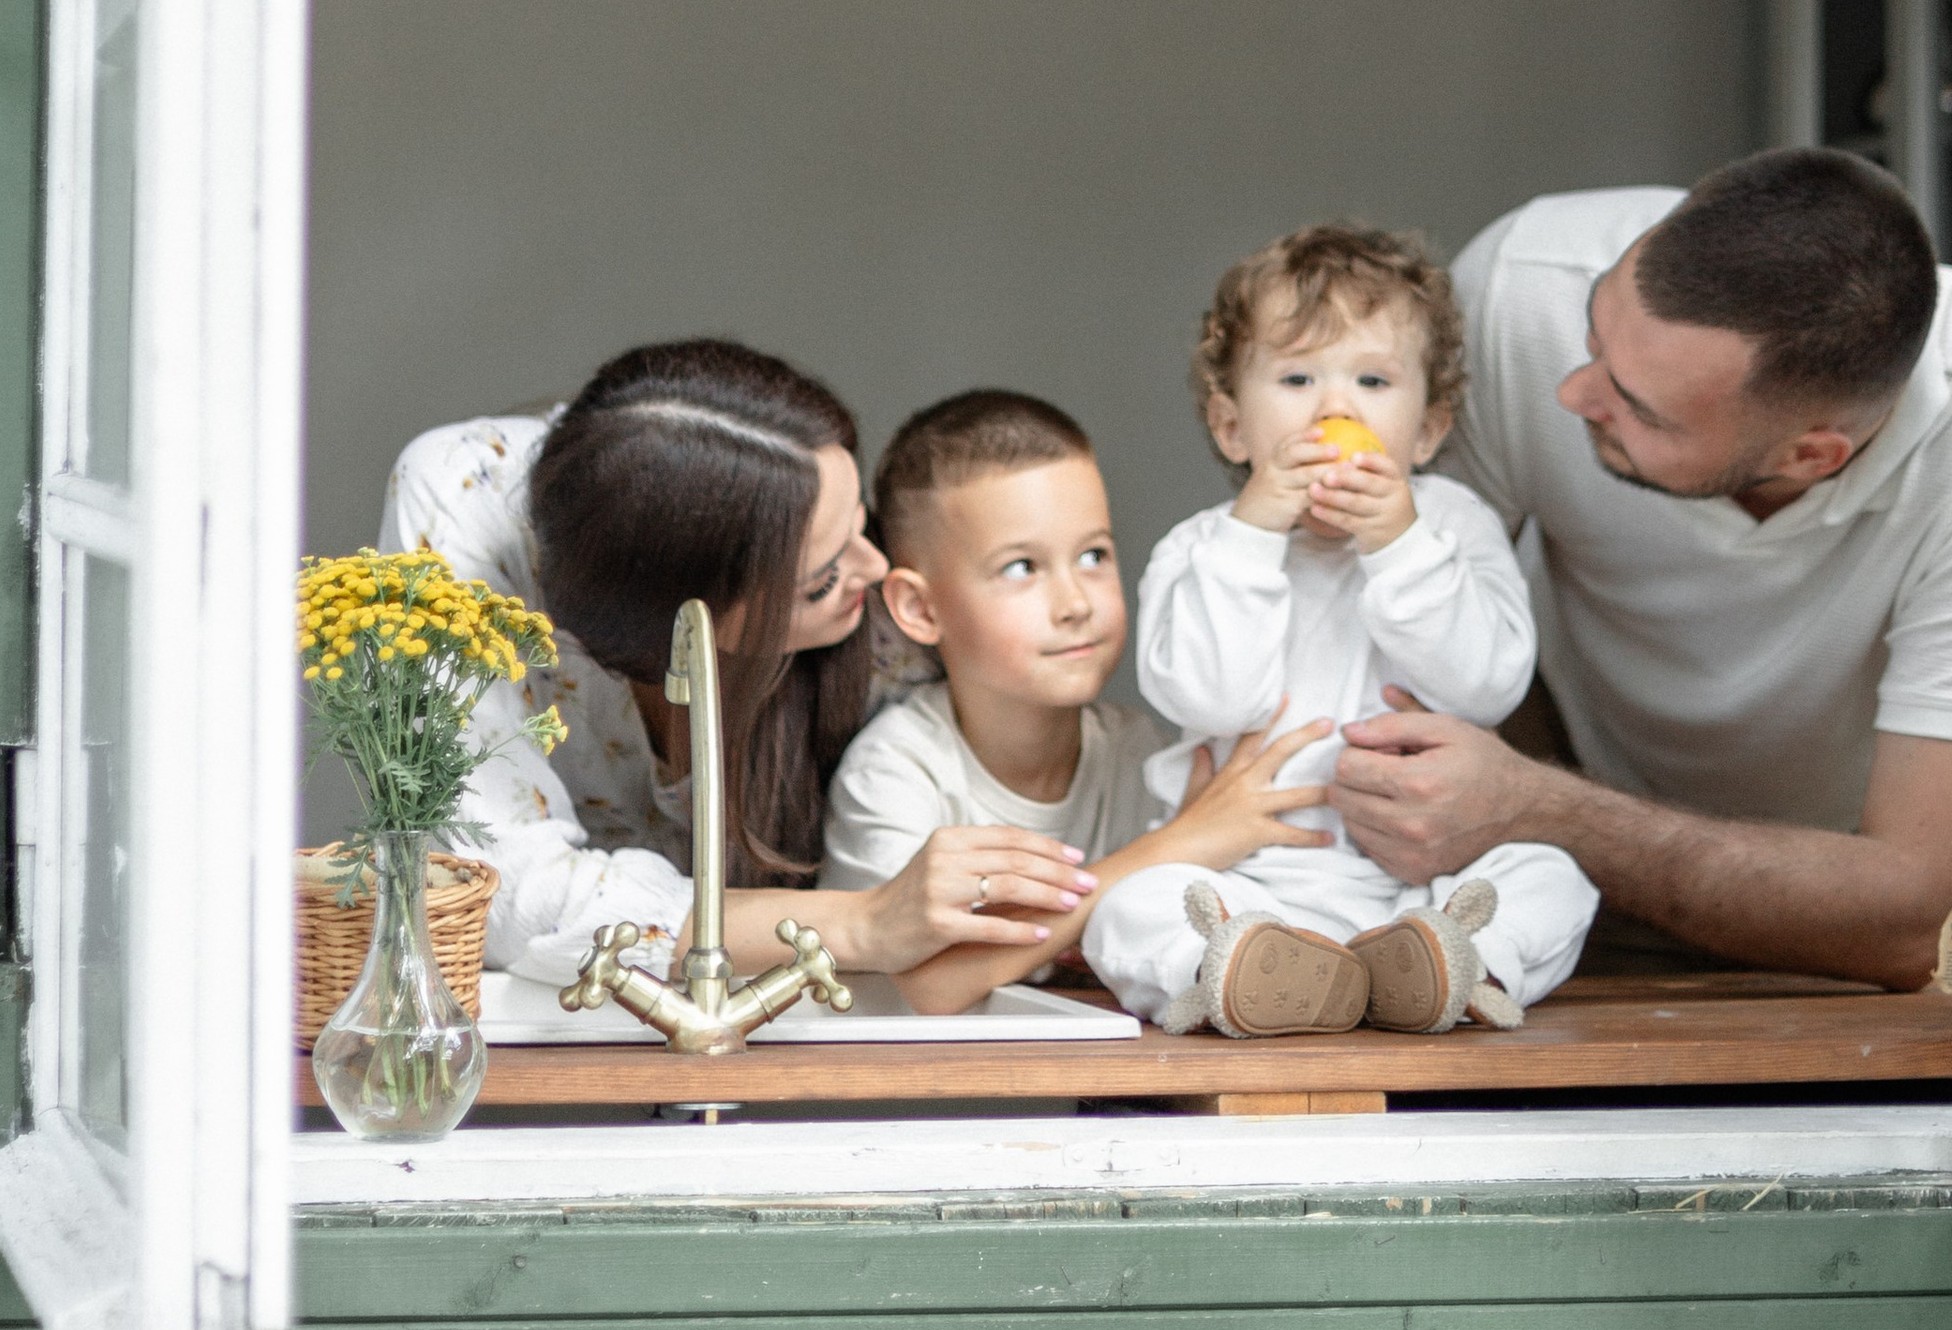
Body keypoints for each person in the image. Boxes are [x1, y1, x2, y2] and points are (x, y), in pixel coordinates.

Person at [1329, 151, 1952, 994]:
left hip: (1836, 938)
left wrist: (1541, 807)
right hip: (1547, 890)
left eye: (1639, 407)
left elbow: (1913, 920)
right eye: (1593, 336)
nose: (1573, 394)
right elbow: (1411, 629)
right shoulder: (1524, 285)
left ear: (1809, 456)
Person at [380, 338, 1101, 988]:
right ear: (681, 622)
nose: (876, 567)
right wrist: (864, 922)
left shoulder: (885, 619)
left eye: (860, 523)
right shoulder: (464, 506)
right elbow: (498, 889)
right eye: (821, 580)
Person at [1082, 225, 1599, 1037]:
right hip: (1252, 881)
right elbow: (1212, 698)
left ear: (1428, 430)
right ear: (1231, 426)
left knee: (1553, 877)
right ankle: (1238, 971)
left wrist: (1398, 544)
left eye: (1372, 379)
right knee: (1127, 908)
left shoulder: (1453, 526)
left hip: (1427, 881)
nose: (1335, 408)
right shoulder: (1204, 547)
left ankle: (1453, 964)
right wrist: (1254, 532)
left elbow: (1487, 687)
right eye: (1296, 378)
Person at [820, 387, 1336, 1011]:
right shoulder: (895, 771)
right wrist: (1177, 843)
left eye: (1093, 556)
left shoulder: (1138, 753)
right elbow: (930, 981)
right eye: (1022, 568)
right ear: (921, 609)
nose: (1075, 604)